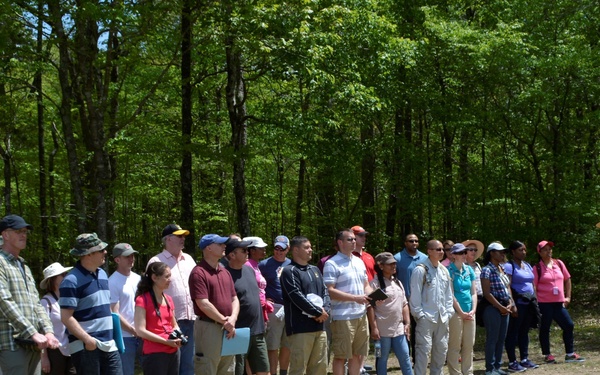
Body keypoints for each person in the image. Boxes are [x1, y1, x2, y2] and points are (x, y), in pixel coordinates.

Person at [0, 215, 59, 375]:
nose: (23, 235)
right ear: (5, 235)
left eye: (25, 231)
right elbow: (4, 301)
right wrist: (33, 332)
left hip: (33, 345)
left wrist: (48, 332)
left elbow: (36, 304)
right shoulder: (0, 262)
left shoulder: (23, 265)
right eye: (19, 231)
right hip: (11, 344)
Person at [60, 232, 123, 375]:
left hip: (109, 345)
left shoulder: (102, 274)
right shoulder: (71, 280)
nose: (105, 252)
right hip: (86, 347)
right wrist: (88, 340)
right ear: (88, 254)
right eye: (100, 250)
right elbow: (66, 317)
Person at [146, 223, 196, 375]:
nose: (183, 239)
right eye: (179, 236)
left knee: (189, 366)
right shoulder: (156, 261)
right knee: (171, 367)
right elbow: (149, 293)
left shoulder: (188, 259)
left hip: (191, 318)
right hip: (168, 323)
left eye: (183, 237)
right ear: (168, 239)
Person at [323, 229, 373, 375]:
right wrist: (355, 298)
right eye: (350, 239)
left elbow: (366, 285)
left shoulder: (359, 261)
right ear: (340, 242)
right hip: (343, 316)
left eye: (354, 239)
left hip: (361, 315)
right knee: (341, 356)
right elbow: (329, 291)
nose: (354, 242)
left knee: (358, 354)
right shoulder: (331, 263)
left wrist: (372, 297)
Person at [280, 236, 330, 375]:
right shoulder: (289, 271)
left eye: (310, 247)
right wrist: (317, 312)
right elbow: (296, 296)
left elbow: (325, 291)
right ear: (296, 250)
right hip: (300, 328)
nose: (310, 250)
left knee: (320, 367)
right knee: (298, 368)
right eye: (306, 247)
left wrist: (325, 310)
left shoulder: (315, 270)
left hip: (320, 327)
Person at [189, 234, 239, 375]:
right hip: (209, 327)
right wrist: (225, 321)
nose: (224, 246)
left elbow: (234, 298)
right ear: (209, 248)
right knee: (207, 368)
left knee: (228, 369)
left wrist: (233, 318)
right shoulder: (198, 273)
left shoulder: (225, 271)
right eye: (220, 244)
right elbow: (203, 303)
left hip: (228, 328)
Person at [533, 240, 585, 364]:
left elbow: (567, 279)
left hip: (559, 303)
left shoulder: (559, 263)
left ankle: (570, 354)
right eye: (545, 249)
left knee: (568, 325)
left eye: (550, 249)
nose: (548, 251)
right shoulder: (537, 268)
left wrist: (568, 296)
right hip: (544, 303)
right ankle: (547, 355)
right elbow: (534, 286)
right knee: (545, 328)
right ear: (539, 252)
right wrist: (536, 303)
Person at [225, 238, 270, 375]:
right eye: (244, 251)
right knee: (238, 371)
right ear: (232, 255)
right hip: (238, 332)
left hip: (258, 330)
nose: (247, 253)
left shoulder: (250, 271)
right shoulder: (225, 275)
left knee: (264, 370)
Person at [409, 239, 453, 375]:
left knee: (441, 352)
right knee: (423, 353)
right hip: (426, 318)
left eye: (442, 249)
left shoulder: (444, 271)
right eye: (437, 249)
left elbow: (449, 295)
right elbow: (415, 296)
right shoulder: (420, 270)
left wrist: (449, 312)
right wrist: (420, 315)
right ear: (429, 251)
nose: (441, 252)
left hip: (443, 318)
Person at [367, 252, 412, 375]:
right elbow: (370, 307)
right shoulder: (374, 284)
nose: (393, 266)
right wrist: (374, 328)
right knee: (381, 359)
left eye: (394, 264)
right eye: (390, 264)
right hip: (382, 331)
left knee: (405, 358)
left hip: (398, 329)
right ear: (381, 266)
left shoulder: (397, 282)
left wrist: (407, 323)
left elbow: (404, 304)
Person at [134, 262, 182, 375]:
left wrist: (178, 334)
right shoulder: (142, 299)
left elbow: (174, 324)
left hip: (173, 351)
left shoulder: (169, 299)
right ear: (154, 277)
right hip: (154, 353)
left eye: (170, 276)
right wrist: (166, 341)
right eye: (166, 276)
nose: (170, 279)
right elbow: (140, 331)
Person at [258, 235, 292, 375]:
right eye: (276, 248)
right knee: (272, 345)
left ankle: (283, 372)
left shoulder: (292, 264)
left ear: (288, 249)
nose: (279, 251)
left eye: (282, 249)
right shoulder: (264, 265)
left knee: (287, 344)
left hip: (290, 308)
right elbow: (258, 285)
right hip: (274, 308)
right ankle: (272, 372)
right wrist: (265, 300)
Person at [503, 241, 539, 371]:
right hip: (518, 303)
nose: (523, 252)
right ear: (513, 252)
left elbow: (532, 283)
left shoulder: (527, 265)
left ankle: (524, 359)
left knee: (524, 331)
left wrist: (535, 299)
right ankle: (512, 361)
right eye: (520, 250)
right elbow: (507, 286)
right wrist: (512, 304)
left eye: (524, 250)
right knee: (513, 332)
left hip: (529, 303)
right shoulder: (509, 266)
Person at [480, 242, 515, 375]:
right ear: (491, 253)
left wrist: (510, 303)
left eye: (504, 252)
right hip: (492, 307)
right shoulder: (486, 270)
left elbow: (507, 288)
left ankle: (497, 366)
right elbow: (487, 293)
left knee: (501, 338)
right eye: (500, 251)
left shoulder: (502, 269)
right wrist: (500, 307)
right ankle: (490, 369)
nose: (503, 254)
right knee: (492, 338)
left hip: (505, 307)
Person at [109, 243, 142, 375]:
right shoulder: (112, 282)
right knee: (126, 372)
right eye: (127, 256)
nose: (131, 259)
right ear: (117, 260)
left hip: (142, 334)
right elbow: (114, 313)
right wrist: (133, 330)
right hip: (124, 337)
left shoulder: (138, 278)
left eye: (132, 255)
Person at [393, 234, 427, 359]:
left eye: (416, 241)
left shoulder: (424, 258)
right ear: (405, 243)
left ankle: (417, 357)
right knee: (405, 330)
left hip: (421, 301)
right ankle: (405, 357)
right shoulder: (397, 258)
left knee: (419, 331)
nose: (414, 243)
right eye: (411, 241)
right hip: (404, 302)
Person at [40, 262, 75, 375]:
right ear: (53, 279)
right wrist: (44, 358)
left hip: (72, 348)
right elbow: (41, 331)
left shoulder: (69, 298)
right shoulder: (46, 302)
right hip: (54, 351)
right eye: (63, 274)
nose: (66, 276)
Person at [446, 243, 476, 375]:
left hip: (470, 312)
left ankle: (468, 372)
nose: (464, 255)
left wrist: (473, 310)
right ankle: (455, 373)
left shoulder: (469, 270)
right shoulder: (448, 271)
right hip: (455, 313)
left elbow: (473, 292)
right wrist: (461, 312)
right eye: (460, 253)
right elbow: (450, 294)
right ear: (453, 255)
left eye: (465, 252)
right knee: (454, 346)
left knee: (469, 345)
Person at [351, 225, 376, 374]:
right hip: (355, 301)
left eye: (364, 235)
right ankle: (353, 366)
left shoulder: (368, 256)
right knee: (355, 337)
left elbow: (372, 280)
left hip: (370, 298)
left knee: (366, 334)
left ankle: (362, 364)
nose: (363, 238)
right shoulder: (348, 256)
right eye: (360, 235)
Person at [243, 236, 273, 322]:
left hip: (260, 306)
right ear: (252, 251)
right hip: (254, 308)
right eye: (261, 248)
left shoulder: (256, 265)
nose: (264, 250)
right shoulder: (247, 265)